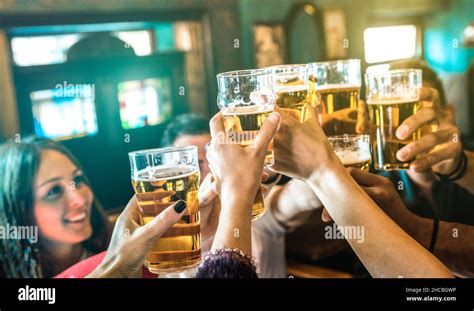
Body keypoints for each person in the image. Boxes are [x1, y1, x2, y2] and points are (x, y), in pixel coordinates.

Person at [82, 111, 281, 278]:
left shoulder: (258, 211)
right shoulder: (150, 247)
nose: (199, 169)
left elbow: (297, 199)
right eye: (188, 161)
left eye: (210, 158)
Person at [271, 104, 453, 278]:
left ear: (448, 114)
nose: (404, 124)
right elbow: (284, 214)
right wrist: (323, 166)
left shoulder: (457, 164)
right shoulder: (380, 177)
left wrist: (323, 168)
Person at [162, 113, 322, 277]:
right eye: (188, 163)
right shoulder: (162, 243)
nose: (202, 171)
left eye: (211, 159)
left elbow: (303, 196)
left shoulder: (255, 205)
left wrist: (275, 162)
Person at [0, 137, 110, 278]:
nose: (80, 200)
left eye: (77, 180)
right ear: (16, 211)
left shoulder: (122, 252)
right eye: (54, 191)